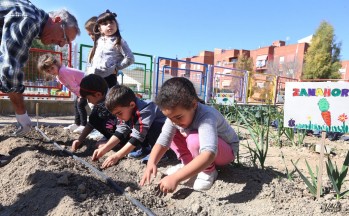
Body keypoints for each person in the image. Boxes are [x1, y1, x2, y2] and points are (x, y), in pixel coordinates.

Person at [140, 77, 239, 192]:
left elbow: (209, 153)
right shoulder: (175, 118)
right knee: (173, 133)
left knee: (194, 139)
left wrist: (176, 178)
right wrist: (151, 162)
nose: (174, 121)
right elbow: (163, 141)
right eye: (170, 118)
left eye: (178, 117)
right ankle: (188, 164)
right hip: (207, 150)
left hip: (226, 151)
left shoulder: (206, 116)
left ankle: (208, 171)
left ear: (193, 105)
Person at [0, 1, 80, 137]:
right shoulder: (29, 20)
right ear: (57, 20)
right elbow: (11, 71)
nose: (61, 45)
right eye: (64, 37)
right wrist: (22, 114)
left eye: (65, 43)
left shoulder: (32, 16)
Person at [91, 84, 167, 169]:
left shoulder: (145, 109)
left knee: (148, 127)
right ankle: (145, 149)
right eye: (115, 114)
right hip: (146, 131)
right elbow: (120, 131)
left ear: (132, 105)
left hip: (165, 135)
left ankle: (160, 154)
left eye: (119, 113)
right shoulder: (125, 111)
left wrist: (117, 156)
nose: (118, 117)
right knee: (135, 127)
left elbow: (137, 137)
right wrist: (104, 149)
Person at [37, 53, 87, 134]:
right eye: (48, 71)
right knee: (76, 104)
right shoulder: (59, 74)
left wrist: (81, 95)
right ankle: (77, 124)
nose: (51, 72)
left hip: (88, 86)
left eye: (52, 68)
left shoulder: (63, 72)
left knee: (80, 104)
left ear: (56, 64)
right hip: (82, 88)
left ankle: (84, 126)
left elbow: (74, 86)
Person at [71, 74, 119, 152]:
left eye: (88, 98)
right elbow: (91, 123)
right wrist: (80, 140)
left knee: (99, 144)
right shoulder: (99, 105)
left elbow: (124, 128)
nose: (88, 101)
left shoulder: (113, 104)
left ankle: (119, 143)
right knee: (95, 117)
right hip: (115, 134)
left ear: (98, 94)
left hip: (125, 136)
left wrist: (110, 143)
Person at [87, 9, 134, 88]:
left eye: (112, 22)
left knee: (107, 99)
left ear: (116, 25)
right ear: (100, 28)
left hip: (109, 77)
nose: (109, 25)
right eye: (105, 24)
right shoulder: (99, 41)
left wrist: (116, 68)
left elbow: (130, 58)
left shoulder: (119, 41)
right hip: (95, 75)